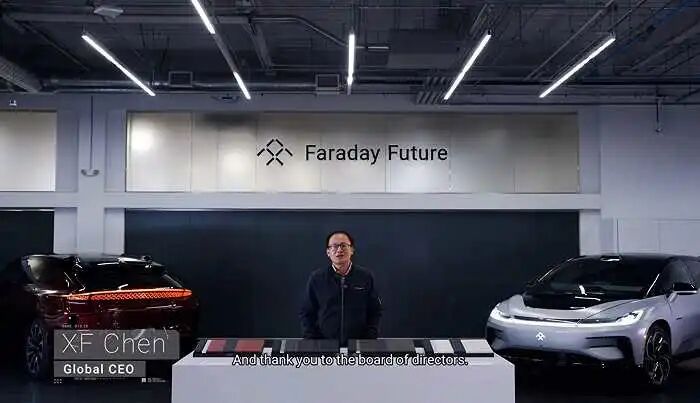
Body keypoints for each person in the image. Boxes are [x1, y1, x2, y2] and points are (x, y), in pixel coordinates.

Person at [300, 230, 382, 345]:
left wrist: (369, 338)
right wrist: (312, 341)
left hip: (359, 346)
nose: (339, 250)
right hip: (325, 346)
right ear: (328, 252)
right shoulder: (317, 278)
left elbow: (375, 311)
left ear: (352, 250)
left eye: (343, 245)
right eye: (334, 246)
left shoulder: (365, 277)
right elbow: (307, 313)